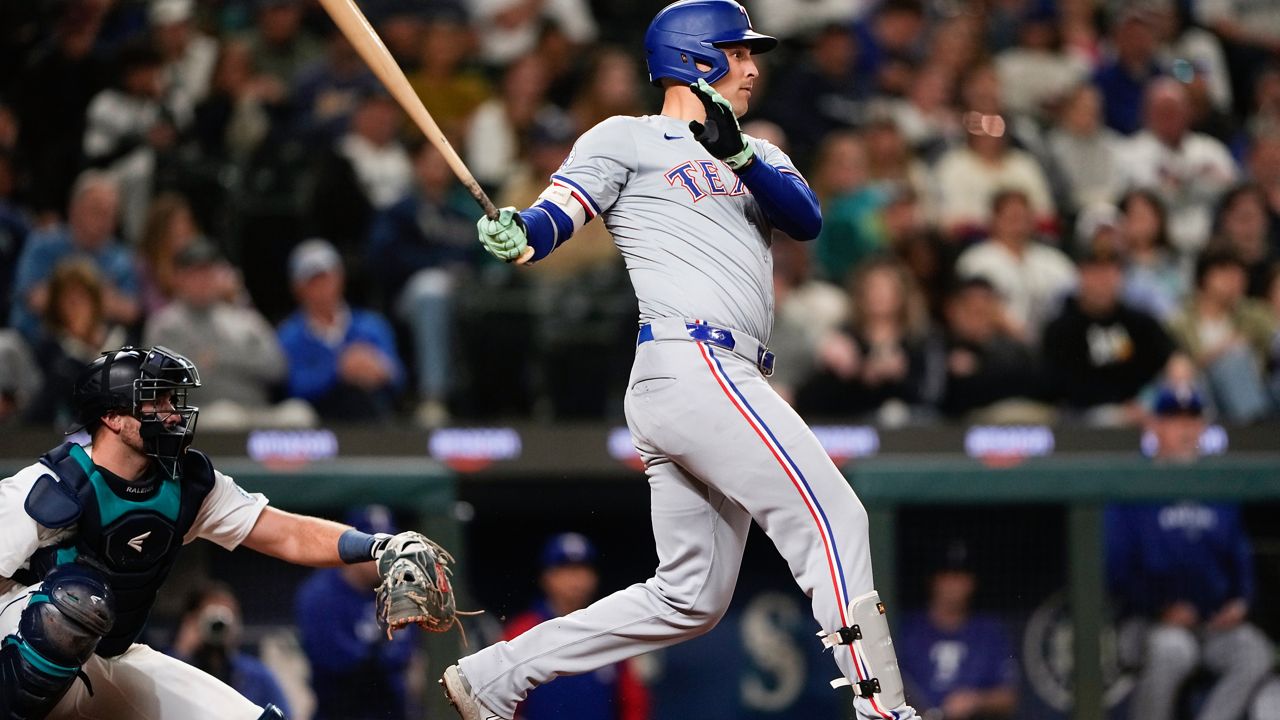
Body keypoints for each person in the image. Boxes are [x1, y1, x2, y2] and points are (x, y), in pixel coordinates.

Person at [440, 3, 920, 720]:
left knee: (691, 597)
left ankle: (496, 675)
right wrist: (523, 231)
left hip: (723, 376)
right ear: (697, 58)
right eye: (738, 52)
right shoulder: (628, 138)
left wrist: (739, 154)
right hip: (691, 361)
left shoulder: (764, 153)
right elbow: (556, 216)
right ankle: (883, 711)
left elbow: (805, 219)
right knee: (835, 518)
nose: (754, 66)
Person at [0, 345, 441, 718]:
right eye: (157, 401)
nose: (173, 414)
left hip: (112, 656)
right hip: (21, 651)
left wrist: (377, 546)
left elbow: (284, 533)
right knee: (70, 604)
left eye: (174, 400)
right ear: (114, 418)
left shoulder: (189, 483)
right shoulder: (49, 485)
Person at [1106, 385, 1275, 720]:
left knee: (1255, 652)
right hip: (1146, 623)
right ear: (1154, 426)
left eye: (1192, 421)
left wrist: (1239, 601)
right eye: (1174, 420)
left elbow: (1239, 555)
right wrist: (1159, 607)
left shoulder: (1216, 483)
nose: (1185, 429)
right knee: (1173, 650)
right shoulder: (1133, 482)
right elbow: (1116, 567)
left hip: (1212, 624)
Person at [503, 533, 649, 720]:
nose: (576, 580)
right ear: (547, 577)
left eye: (582, 569)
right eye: (566, 570)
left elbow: (634, 702)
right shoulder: (523, 631)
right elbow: (502, 701)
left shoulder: (612, 630)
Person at [295, 505, 419, 720]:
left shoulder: (401, 589)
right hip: (339, 712)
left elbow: (405, 654)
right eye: (377, 548)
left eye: (390, 548)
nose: (385, 557)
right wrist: (378, 656)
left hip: (390, 712)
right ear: (355, 547)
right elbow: (336, 663)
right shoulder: (320, 594)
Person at [277, 238, 405, 422]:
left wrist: (380, 369)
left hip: (371, 416)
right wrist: (337, 370)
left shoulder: (371, 325)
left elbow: (398, 378)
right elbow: (293, 386)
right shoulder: (289, 335)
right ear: (298, 288)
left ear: (340, 278)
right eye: (313, 281)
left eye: (327, 277)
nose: (323, 287)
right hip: (319, 420)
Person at [898, 540, 1018, 720]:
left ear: (972, 582)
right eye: (947, 575)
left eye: (961, 576)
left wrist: (975, 700)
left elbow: (1008, 697)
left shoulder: (988, 632)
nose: (954, 585)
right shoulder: (908, 629)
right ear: (933, 580)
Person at [169, 582, 292, 716]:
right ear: (192, 621)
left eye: (227, 617)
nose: (220, 626)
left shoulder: (257, 677)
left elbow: (284, 716)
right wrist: (181, 653)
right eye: (213, 619)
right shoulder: (170, 670)